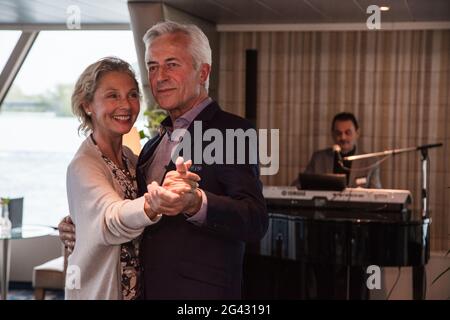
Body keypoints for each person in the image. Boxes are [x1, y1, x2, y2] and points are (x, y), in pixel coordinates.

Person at [60, 21, 268, 299]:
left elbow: (255, 220)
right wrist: (81, 223)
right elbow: (121, 205)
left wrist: (197, 203)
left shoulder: (230, 132)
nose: (159, 77)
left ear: (202, 71)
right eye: (152, 66)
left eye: (172, 64)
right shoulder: (151, 146)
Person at [65, 57, 199, 300]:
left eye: (132, 94)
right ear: (88, 106)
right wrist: (152, 204)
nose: (125, 104)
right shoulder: (83, 165)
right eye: (113, 96)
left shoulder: (131, 158)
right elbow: (111, 220)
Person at [303, 112, 381, 188]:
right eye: (338, 133)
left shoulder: (370, 162)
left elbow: (376, 195)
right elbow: (300, 185)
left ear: (357, 133)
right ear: (333, 134)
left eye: (348, 133)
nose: (343, 137)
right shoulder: (319, 158)